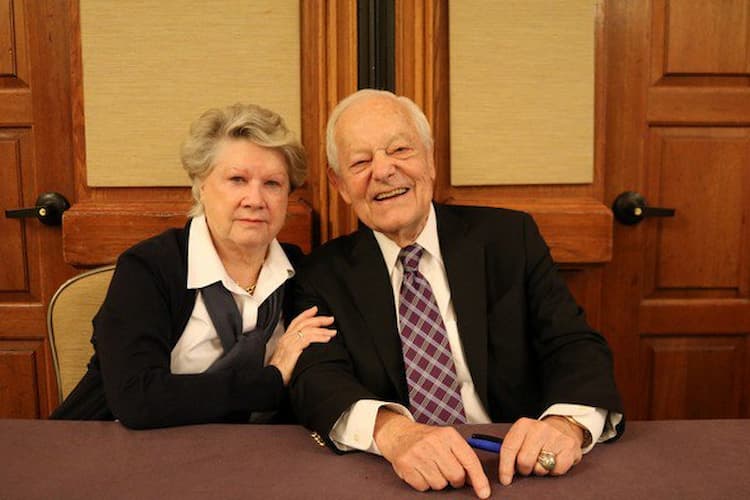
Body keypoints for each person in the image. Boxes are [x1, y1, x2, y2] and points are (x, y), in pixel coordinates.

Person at [289, 89, 624, 498]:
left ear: (430, 160)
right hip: (403, 479)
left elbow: (573, 344)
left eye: (399, 149)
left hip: (516, 468)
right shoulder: (320, 274)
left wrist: (563, 426)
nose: (383, 171)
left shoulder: (509, 239)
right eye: (360, 162)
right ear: (339, 184)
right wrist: (394, 433)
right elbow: (316, 377)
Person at [51, 103, 335, 428]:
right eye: (237, 179)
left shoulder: (302, 273)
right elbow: (138, 398)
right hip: (123, 450)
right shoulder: (148, 269)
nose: (255, 199)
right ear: (202, 184)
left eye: (272, 183)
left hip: (256, 459)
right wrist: (269, 382)